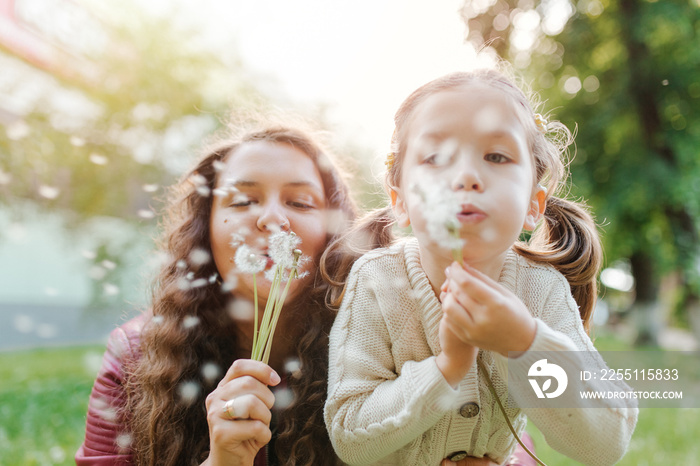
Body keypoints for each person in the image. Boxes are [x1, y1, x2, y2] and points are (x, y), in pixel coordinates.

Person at [323, 69, 638, 465]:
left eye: (496, 156)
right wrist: (447, 369)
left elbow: (605, 444)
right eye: (436, 157)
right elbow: (350, 434)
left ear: (533, 205)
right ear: (399, 201)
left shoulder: (541, 291)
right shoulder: (376, 280)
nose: (467, 176)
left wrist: (522, 343)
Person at [75, 124, 358, 466]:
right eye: (242, 201)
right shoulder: (136, 354)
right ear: (204, 230)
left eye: (299, 202)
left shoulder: (379, 346)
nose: (272, 219)